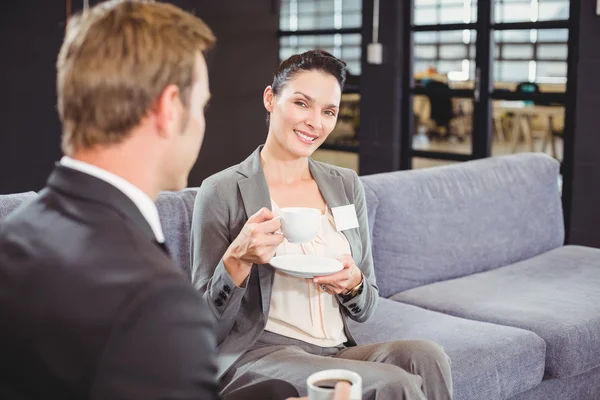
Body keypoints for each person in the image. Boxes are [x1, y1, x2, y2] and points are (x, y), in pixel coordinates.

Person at [0, 1, 314, 399]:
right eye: (201, 106)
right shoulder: (156, 303)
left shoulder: (13, 235)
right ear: (169, 109)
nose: (201, 122)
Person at [191, 50, 454, 400]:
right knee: (394, 385)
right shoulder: (222, 190)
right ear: (271, 99)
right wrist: (236, 260)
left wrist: (353, 284)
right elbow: (202, 327)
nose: (315, 122)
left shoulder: (345, 185)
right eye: (302, 103)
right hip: (261, 353)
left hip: (335, 349)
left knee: (429, 356)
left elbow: (367, 304)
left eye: (328, 111)